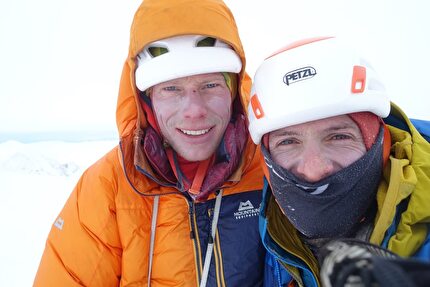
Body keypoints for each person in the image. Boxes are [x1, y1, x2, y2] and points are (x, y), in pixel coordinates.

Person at [34, 0, 265, 286]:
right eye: (171, 89)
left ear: (233, 91)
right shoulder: (108, 188)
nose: (194, 110)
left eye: (210, 85)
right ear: (146, 100)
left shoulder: (272, 173)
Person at [246, 37, 430, 286]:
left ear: (380, 143)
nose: (314, 170)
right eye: (288, 142)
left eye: (339, 137)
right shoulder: (265, 227)